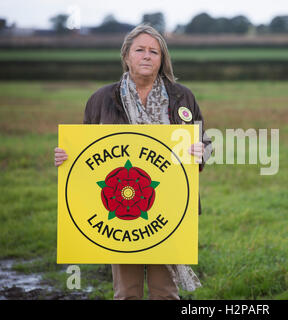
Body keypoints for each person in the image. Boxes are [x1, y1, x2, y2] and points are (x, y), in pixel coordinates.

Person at [54, 24, 212, 300]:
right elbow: (87, 153)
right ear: (126, 55)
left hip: (169, 207)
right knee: (126, 292)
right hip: (117, 208)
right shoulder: (101, 99)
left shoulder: (181, 96)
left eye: (154, 51)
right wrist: (68, 157)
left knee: (165, 293)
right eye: (140, 50)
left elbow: (206, 144)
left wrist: (200, 151)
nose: (147, 56)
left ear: (162, 59)